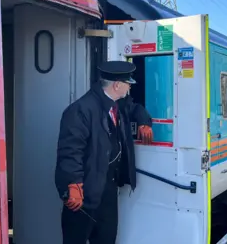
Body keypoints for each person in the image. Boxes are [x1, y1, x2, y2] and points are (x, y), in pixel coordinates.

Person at [54, 60, 153, 244]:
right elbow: (70, 151)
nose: (129, 88)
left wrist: (144, 122)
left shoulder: (118, 104)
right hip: (84, 191)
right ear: (117, 85)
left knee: (106, 238)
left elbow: (135, 108)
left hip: (107, 189)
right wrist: (73, 184)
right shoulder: (80, 110)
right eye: (128, 84)